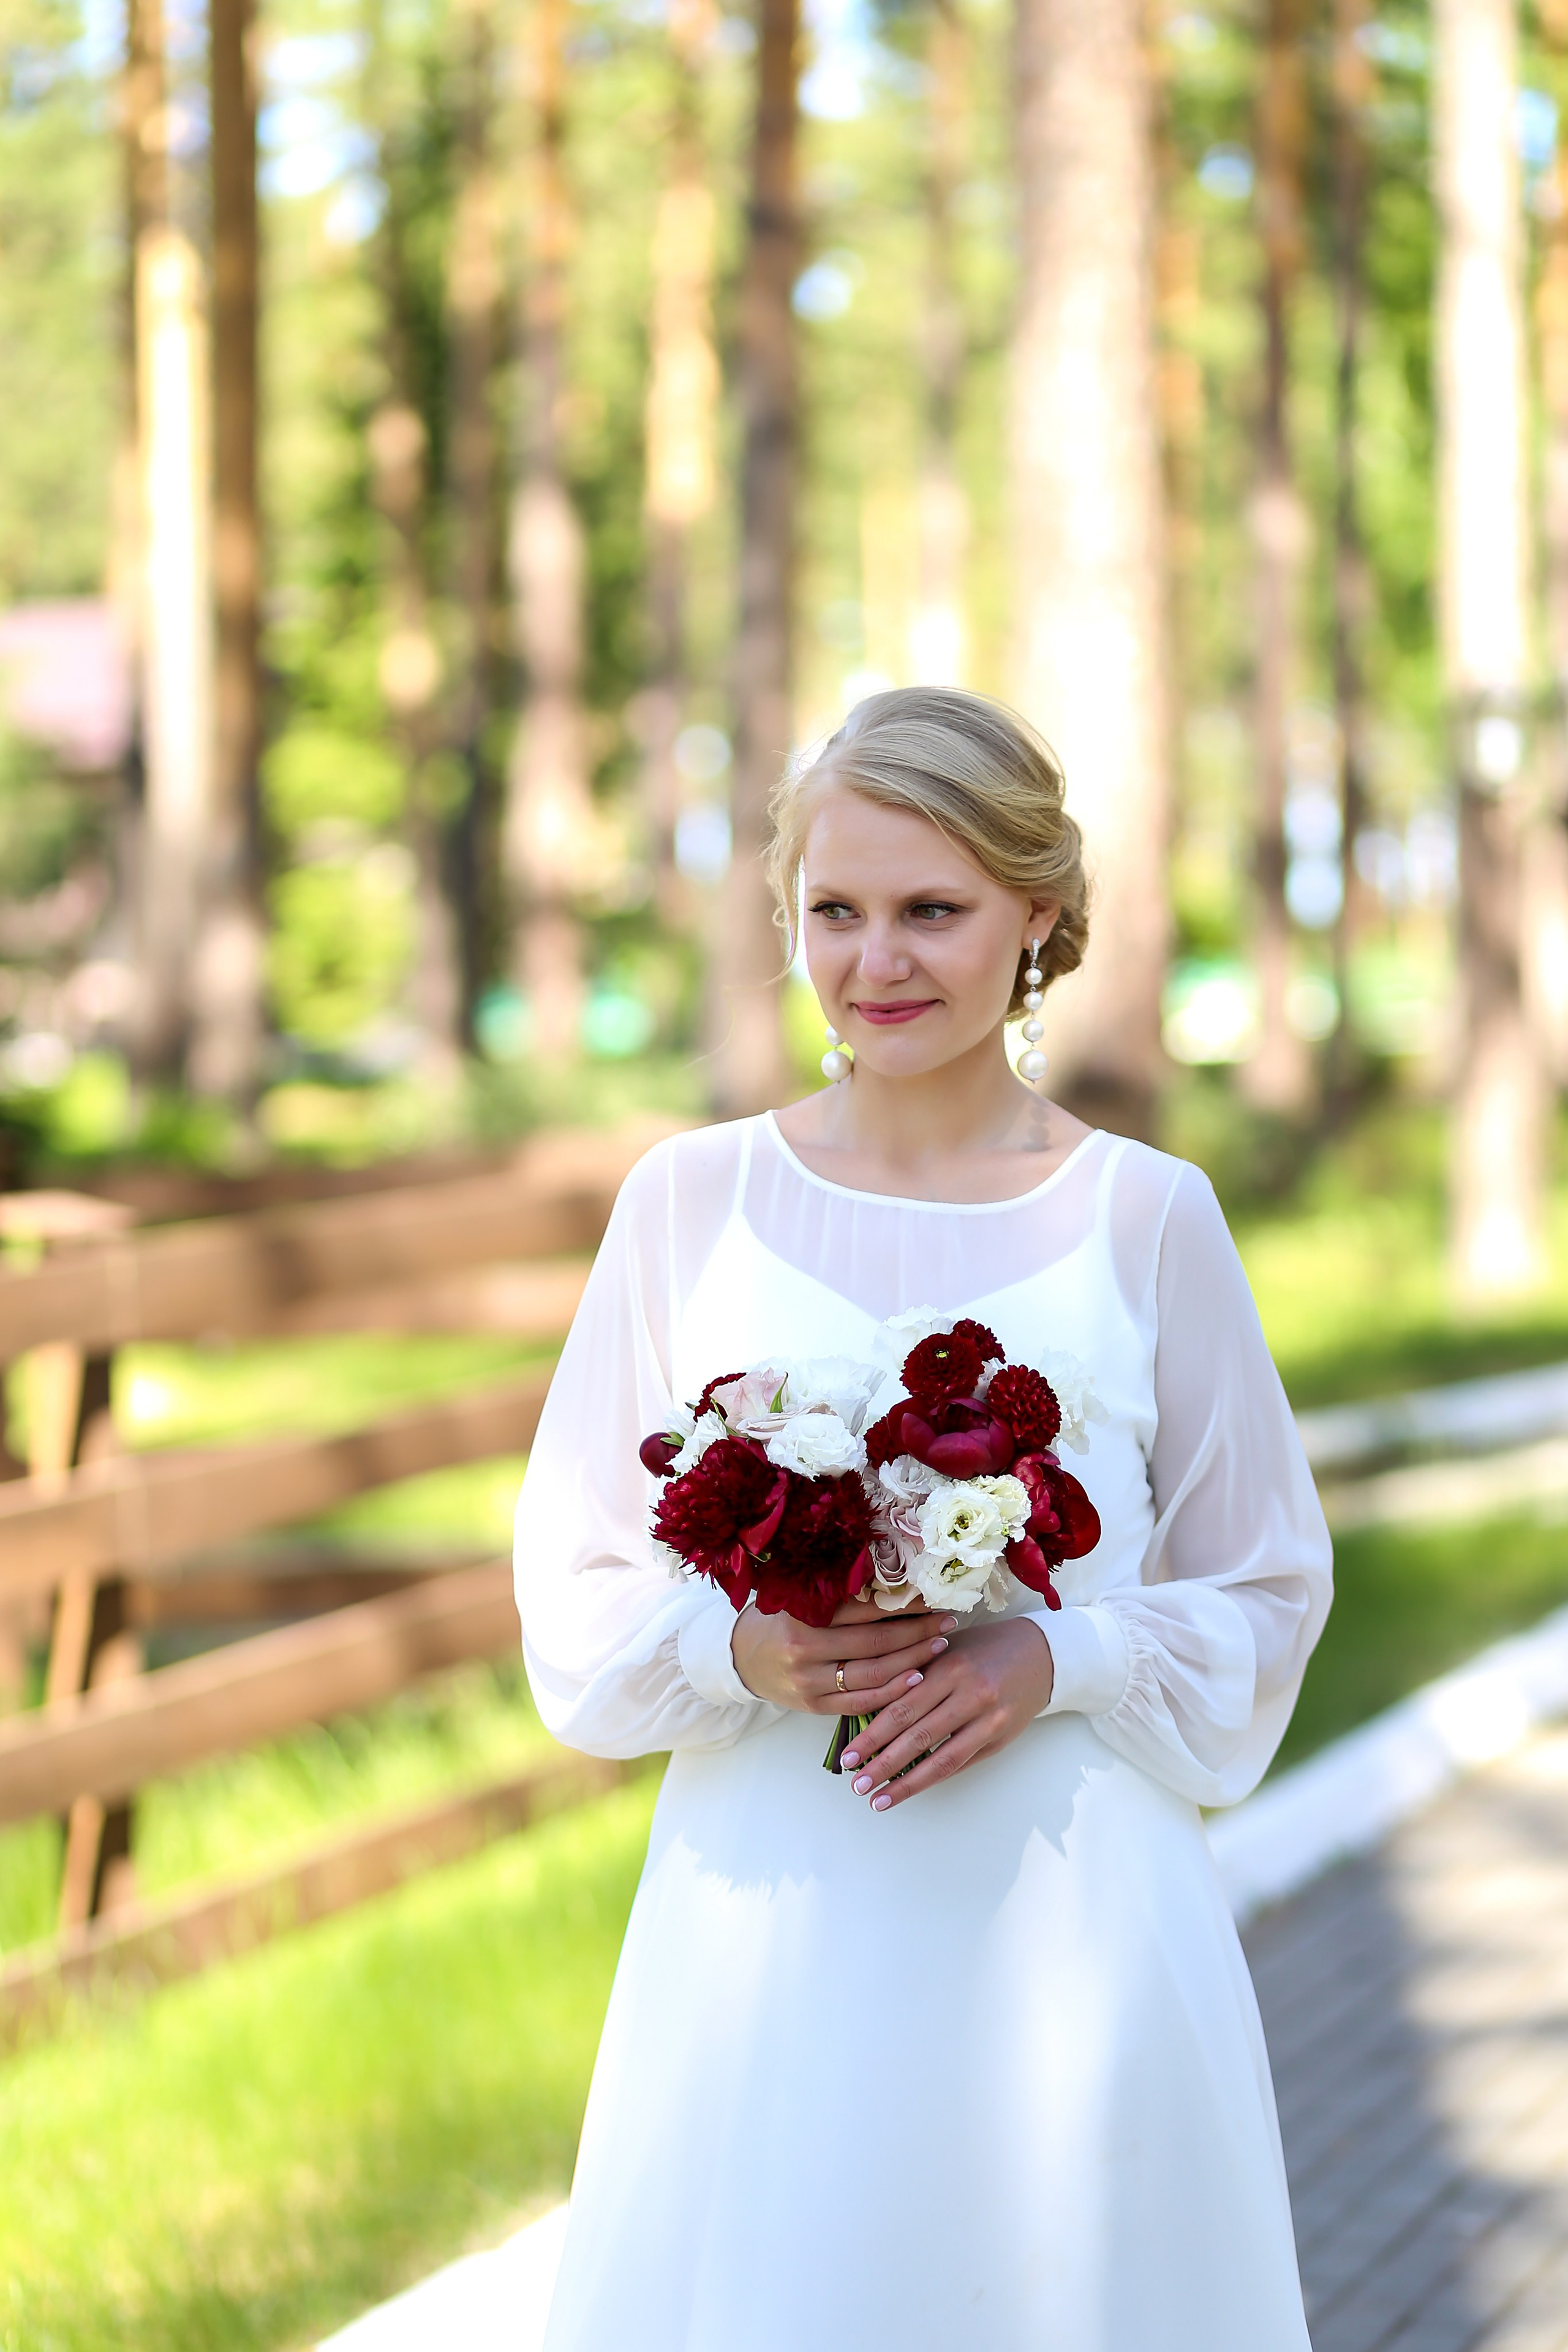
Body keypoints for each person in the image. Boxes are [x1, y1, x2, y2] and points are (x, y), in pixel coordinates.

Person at [515, 687, 1332, 2351]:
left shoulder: (1147, 1217)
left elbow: (1268, 1581)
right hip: (771, 1919)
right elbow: (576, 1570)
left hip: (1070, 1913)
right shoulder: (690, 1202)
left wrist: (1062, 1657)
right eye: (837, 910)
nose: (877, 960)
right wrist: (741, 1642)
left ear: (1038, 915)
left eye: (932, 911)